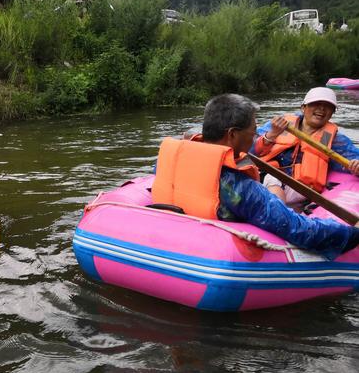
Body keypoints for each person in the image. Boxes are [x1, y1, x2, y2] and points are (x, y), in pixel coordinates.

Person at [152, 93, 359, 260]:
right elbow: (300, 230)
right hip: (212, 252)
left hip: (170, 232)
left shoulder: (171, 159)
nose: (255, 136)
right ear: (232, 134)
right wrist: (353, 233)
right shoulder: (241, 189)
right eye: (252, 131)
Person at [253, 87, 359, 206]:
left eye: (328, 106)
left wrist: (356, 165)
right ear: (303, 107)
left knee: (272, 178)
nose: (322, 109)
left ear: (332, 113)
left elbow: (355, 157)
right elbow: (249, 149)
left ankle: (279, 216)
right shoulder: (282, 125)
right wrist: (271, 135)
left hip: (299, 188)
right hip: (264, 177)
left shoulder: (333, 140)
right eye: (316, 103)